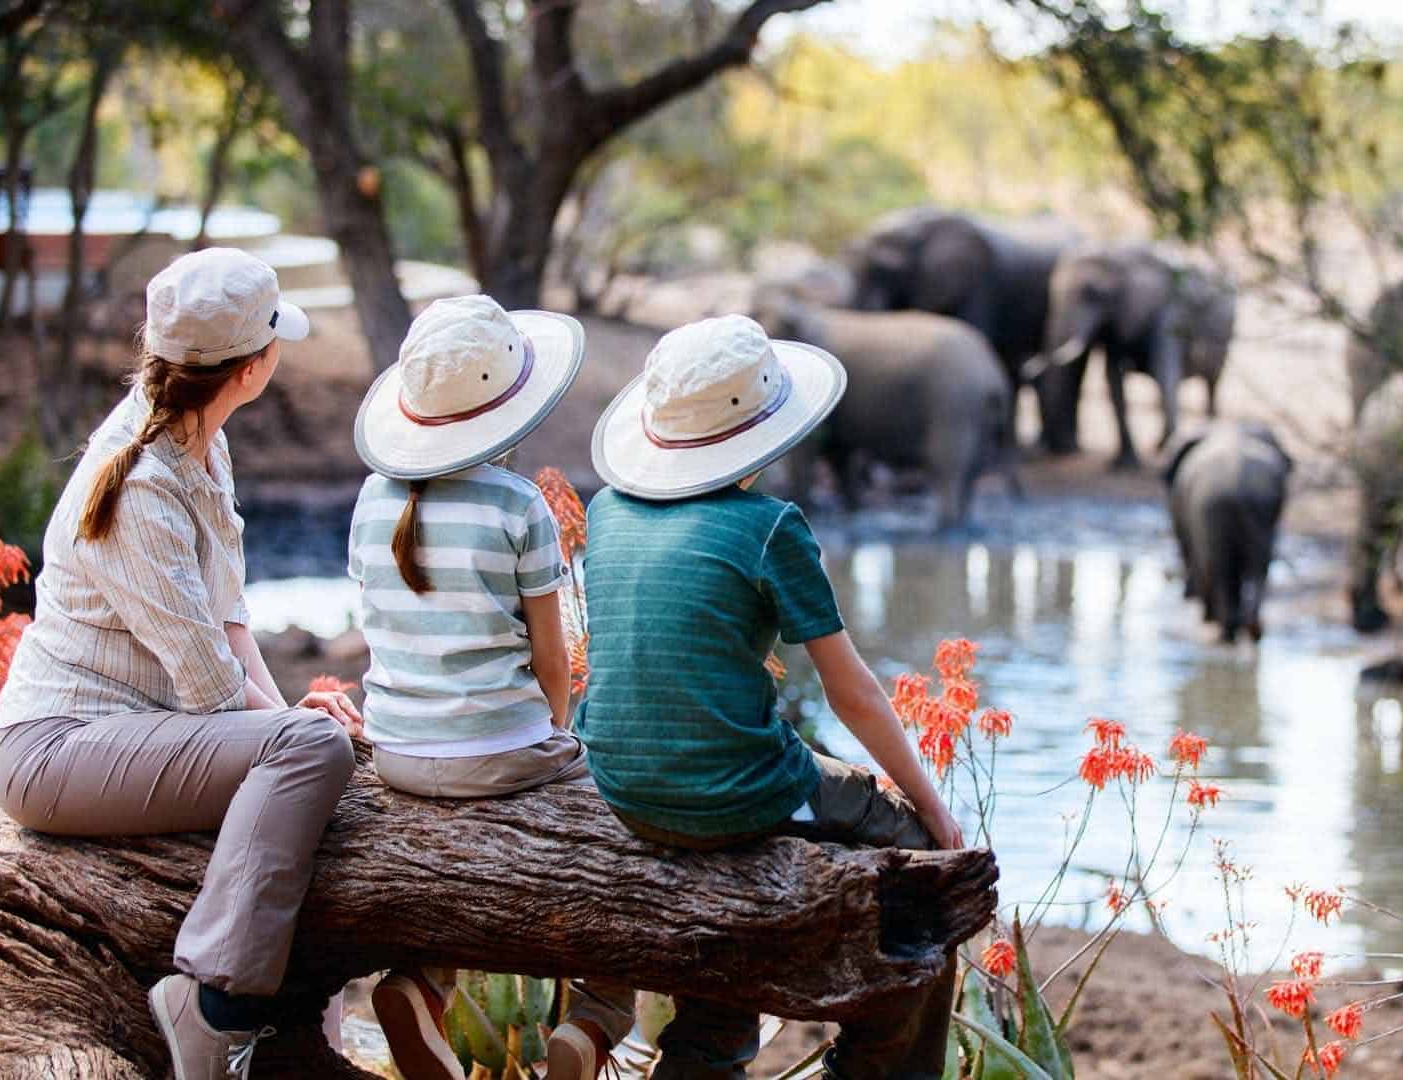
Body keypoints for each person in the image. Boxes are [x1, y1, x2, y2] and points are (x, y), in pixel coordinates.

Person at [0, 248, 361, 1080]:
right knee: (313, 753)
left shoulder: (199, 443)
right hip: (57, 749)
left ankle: (296, 1034)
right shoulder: (141, 484)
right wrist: (290, 733)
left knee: (312, 751)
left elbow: (228, 625)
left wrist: (288, 714)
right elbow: (205, 687)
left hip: (134, 733)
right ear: (253, 365)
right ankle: (212, 1004)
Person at [578, 314, 967, 1080]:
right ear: (765, 433)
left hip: (618, 784)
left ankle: (705, 1055)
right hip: (735, 792)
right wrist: (931, 806)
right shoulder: (769, 525)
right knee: (924, 870)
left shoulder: (606, 511)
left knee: (730, 885)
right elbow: (850, 690)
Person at [347, 294, 633, 1080]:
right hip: (501, 751)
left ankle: (422, 982)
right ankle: (597, 1017)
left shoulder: (372, 498)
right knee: (620, 835)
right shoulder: (517, 504)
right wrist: (558, 735)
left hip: (397, 753)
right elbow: (550, 653)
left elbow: (378, 624)